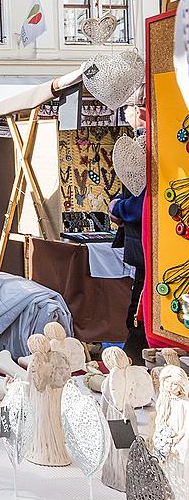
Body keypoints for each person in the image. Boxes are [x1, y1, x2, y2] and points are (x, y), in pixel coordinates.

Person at [109, 97, 147, 364]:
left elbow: (142, 202)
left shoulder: (146, 145)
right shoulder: (143, 142)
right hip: (142, 241)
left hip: (146, 242)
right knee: (140, 297)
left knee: (142, 302)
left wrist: (119, 208)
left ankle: (133, 358)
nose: (124, 113)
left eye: (127, 108)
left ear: (139, 110)